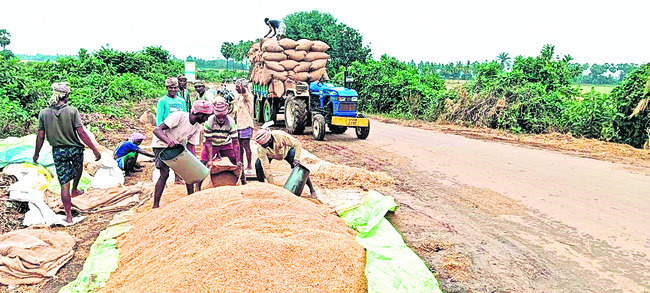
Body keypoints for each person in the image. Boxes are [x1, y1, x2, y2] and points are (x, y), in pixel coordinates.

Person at [33, 82, 102, 223]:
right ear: (66, 95)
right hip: (75, 149)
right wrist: (94, 149)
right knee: (78, 169)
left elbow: (40, 136)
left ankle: (69, 216)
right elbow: (81, 132)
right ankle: (75, 189)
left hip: (58, 151)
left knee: (64, 183)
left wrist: (36, 153)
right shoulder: (72, 111)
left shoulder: (44, 113)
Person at [151, 100, 213, 208]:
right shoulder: (179, 116)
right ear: (200, 114)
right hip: (161, 145)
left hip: (176, 147)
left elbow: (191, 146)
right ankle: (155, 205)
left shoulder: (197, 126)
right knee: (164, 173)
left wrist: (193, 162)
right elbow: (157, 130)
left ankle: (191, 200)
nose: (207, 119)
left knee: (188, 172)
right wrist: (168, 140)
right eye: (206, 116)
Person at [254, 128, 316, 197]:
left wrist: (296, 158)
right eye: (262, 145)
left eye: (264, 145)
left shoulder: (280, 135)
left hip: (287, 152)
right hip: (270, 155)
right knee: (258, 166)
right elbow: (266, 168)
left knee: (300, 168)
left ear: (269, 140)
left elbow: (297, 144)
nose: (262, 146)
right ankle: (262, 187)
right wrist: (272, 187)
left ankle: (312, 189)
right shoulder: (261, 149)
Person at [202, 101, 246, 185]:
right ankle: (199, 185)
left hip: (225, 143)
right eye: (218, 116)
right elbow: (208, 142)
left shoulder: (231, 122)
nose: (221, 118)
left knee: (237, 162)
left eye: (223, 116)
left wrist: (238, 160)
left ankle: (243, 180)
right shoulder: (209, 122)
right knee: (203, 163)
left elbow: (235, 143)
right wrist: (210, 160)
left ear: (227, 113)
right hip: (212, 144)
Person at [157, 77, 187, 184]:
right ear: (167, 88)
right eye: (171, 88)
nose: (173, 90)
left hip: (178, 131)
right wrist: (161, 132)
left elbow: (184, 115)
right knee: (169, 153)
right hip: (167, 130)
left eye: (175, 88)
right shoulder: (163, 101)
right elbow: (159, 118)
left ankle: (178, 177)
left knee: (179, 154)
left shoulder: (181, 101)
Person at [233, 79, 254, 171]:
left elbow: (244, 93)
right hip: (239, 125)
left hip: (246, 124)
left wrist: (242, 88)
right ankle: (241, 163)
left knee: (246, 145)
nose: (236, 89)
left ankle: (249, 165)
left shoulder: (248, 96)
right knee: (239, 146)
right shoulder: (238, 97)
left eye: (237, 87)